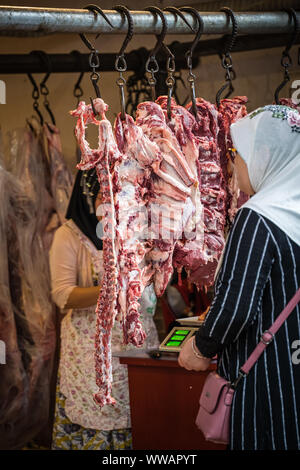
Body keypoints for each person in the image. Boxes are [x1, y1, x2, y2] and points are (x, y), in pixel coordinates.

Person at [178, 104, 300, 450]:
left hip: (268, 380)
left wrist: (200, 347)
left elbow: (236, 306)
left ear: (264, 155)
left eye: (237, 153)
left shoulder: (259, 216)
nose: (233, 164)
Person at [49, 169, 159, 450]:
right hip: (91, 352)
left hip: (135, 343)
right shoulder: (69, 235)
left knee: (141, 417)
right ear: (86, 198)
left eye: (117, 193)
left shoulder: (132, 231)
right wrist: (115, 288)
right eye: (102, 194)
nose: (112, 201)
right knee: (97, 422)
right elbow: (63, 295)